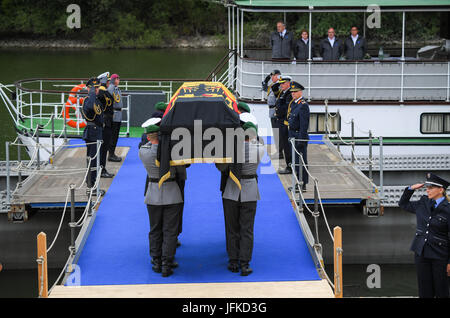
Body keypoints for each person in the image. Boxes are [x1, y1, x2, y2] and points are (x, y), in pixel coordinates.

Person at [216, 113, 265, 276]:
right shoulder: (259, 148)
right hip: (250, 190)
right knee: (247, 229)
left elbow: (221, 168)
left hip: (231, 190)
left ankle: (233, 261)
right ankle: (245, 263)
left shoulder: (229, 149)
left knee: (231, 228)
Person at [138, 117, 186, 277]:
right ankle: (167, 262)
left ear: (148, 136)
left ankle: (156, 260)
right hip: (172, 192)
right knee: (170, 231)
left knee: (155, 230)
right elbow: (181, 169)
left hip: (153, 193)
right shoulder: (172, 151)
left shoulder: (143, 151)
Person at [398, 173, 450, 298]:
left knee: (442, 290)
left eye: (431, 187)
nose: (427, 190)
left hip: (440, 255)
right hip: (421, 252)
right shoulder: (423, 202)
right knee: (424, 291)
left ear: (441, 190)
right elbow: (403, 204)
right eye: (427, 187)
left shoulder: (448, 209)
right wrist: (411, 189)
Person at [81, 77, 105, 196]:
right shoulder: (88, 100)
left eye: (97, 88)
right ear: (89, 89)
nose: (97, 90)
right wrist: (91, 93)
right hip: (92, 132)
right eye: (94, 88)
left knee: (96, 160)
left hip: (97, 131)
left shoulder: (95, 100)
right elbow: (91, 108)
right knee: (93, 160)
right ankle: (91, 187)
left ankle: (93, 184)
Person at [287, 81, 310, 192]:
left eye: (295, 92)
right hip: (293, 136)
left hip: (299, 137)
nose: (293, 94)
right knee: (296, 161)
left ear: (300, 92)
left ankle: (302, 184)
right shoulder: (295, 103)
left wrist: (301, 140)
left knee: (301, 161)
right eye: (292, 92)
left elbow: (303, 125)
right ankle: (298, 182)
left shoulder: (303, 105)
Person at [97, 72, 115, 178]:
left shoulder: (103, 92)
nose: (109, 83)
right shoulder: (101, 93)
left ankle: (102, 168)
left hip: (107, 122)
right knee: (103, 148)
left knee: (104, 147)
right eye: (108, 81)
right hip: (105, 123)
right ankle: (101, 169)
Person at [262, 70, 283, 159]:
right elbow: (265, 88)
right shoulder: (272, 85)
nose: (272, 77)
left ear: (278, 76)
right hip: (271, 111)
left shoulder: (278, 86)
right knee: (275, 132)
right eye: (271, 76)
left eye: (273, 76)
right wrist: (266, 80)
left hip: (275, 111)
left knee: (278, 132)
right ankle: (279, 151)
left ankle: (280, 152)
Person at [275, 76, 293, 174]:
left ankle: (290, 166)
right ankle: (289, 165)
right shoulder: (284, 92)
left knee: (287, 146)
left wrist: (279, 106)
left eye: (283, 83)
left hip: (285, 123)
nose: (281, 85)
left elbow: (285, 109)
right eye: (280, 83)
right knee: (285, 145)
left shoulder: (289, 94)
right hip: (281, 122)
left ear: (288, 83)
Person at [107, 73, 123, 162]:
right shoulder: (111, 89)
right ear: (114, 80)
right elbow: (108, 101)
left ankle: (112, 153)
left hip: (118, 114)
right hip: (114, 114)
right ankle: (111, 154)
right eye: (118, 78)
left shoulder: (116, 89)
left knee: (115, 135)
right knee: (113, 136)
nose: (119, 80)